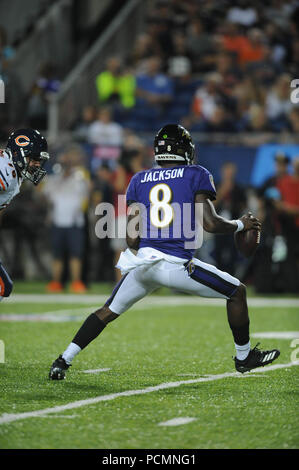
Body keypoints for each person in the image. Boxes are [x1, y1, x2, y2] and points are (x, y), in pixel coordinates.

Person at [49, 124, 280, 380]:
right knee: (237, 292)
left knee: (107, 311)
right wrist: (240, 224)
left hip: (143, 265)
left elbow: (131, 238)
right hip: (176, 266)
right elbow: (211, 223)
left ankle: (63, 360)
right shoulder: (196, 173)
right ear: (185, 149)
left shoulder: (138, 179)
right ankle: (244, 356)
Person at [0, 128, 49, 301]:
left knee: (4, 287)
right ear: (18, 153)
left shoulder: (15, 175)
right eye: (34, 158)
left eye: (39, 160)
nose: (37, 164)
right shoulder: (4, 169)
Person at [42, 145, 90, 293]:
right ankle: (56, 282)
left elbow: (88, 189)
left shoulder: (79, 176)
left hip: (74, 221)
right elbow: (44, 195)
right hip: (58, 220)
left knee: (76, 254)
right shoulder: (54, 178)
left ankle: (76, 282)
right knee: (58, 255)